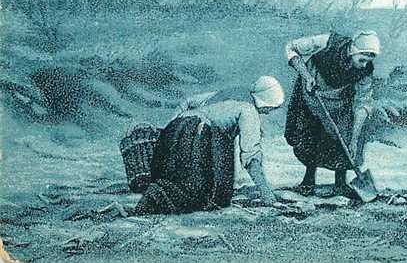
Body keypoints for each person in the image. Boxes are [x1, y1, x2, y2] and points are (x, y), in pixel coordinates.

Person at [133, 76, 285, 215]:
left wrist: (171, 128)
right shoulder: (248, 109)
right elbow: (250, 154)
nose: (268, 112)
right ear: (265, 100)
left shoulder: (222, 94)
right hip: (197, 134)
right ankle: (156, 196)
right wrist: (266, 194)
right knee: (201, 196)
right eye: (271, 107)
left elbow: (187, 102)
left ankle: (159, 192)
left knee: (184, 178)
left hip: (176, 129)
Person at [283, 31, 381, 197]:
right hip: (312, 93)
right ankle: (308, 180)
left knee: (344, 136)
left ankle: (340, 183)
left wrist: (354, 139)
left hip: (340, 101)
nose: (364, 65)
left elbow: (363, 103)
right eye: (362, 60)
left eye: (368, 61)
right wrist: (306, 76)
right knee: (309, 135)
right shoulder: (327, 42)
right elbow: (290, 48)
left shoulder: (366, 71)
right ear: (352, 52)